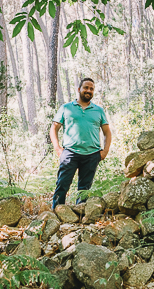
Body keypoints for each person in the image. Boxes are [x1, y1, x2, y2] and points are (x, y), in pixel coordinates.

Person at [50, 77, 112, 209]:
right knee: (62, 184)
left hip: (92, 154)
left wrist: (105, 151)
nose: (88, 90)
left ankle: (80, 214)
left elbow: (107, 132)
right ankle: (56, 212)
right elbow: (54, 128)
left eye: (91, 89)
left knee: (84, 189)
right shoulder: (66, 108)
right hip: (70, 153)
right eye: (86, 88)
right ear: (79, 89)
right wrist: (58, 149)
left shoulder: (98, 110)